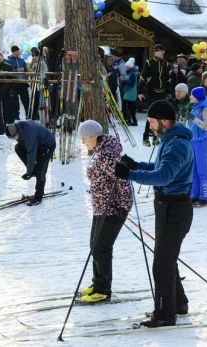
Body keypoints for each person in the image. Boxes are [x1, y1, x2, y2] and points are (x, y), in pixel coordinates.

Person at [113, 100, 193, 328]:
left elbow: (164, 177)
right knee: (167, 259)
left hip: (174, 208)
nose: (149, 126)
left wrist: (129, 175)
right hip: (169, 206)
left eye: (151, 121)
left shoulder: (177, 144)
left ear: (164, 121)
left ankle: (165, 314)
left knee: (162, 264)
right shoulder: (170, 140)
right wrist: (135, 165)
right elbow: (158, 168)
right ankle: (178, 304)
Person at [76, 120, 133, 302]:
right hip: (101, 206)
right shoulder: (100, 150)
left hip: (112, 209)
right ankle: (97, 283)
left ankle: (103, 290)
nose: (83, 142)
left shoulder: (107, 154)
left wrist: (122, 207)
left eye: (85, 138)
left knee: (102, 247)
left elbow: (123, 181)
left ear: (94, 136)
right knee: (95, 245)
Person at [5, 120, 56, 206]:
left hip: (47, 145)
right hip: (38, 143)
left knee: (41, 170)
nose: (14, 139)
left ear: (17, 131)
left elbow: (31, 154)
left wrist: (28, 173)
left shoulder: (29, 134)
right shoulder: (19, 130)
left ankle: (38, 197)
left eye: (14, 137)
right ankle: (33, 171)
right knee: (18, 148)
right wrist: (31, 171)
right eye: (12, 138)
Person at [138, 44, 171, 147]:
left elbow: (168, 79)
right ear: (155, 52)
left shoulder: (165, 64)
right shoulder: (149, 63)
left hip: (162, 92)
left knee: (160, 116)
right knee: (152, 115)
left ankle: (156, 137)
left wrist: (169, 91)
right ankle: (146, 136)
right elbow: (143, 78)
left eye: (163, 51)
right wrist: (140, 92)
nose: (162, 53)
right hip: (152, 92)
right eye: (160, 51)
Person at [186, 87, 207, 207]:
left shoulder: (205, 109)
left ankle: (204, 196)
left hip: (201, 142)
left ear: (197, 97)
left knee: (202, 170)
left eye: (192, 95)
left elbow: (206, 127)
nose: (190, 97)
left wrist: (193, 118)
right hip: (193, 141)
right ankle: (194, 195)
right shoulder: (195, 106)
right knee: (194, 170)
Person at [0, 52, 17, 125]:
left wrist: (11, 89)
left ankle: (10, 121)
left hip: (8, 89)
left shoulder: (8, 66)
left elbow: (13, 78)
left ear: (2, 58)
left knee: (9, 106)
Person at [7, 45, 30, 119]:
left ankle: (28, 114)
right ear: (14, 51)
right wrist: (16, 70)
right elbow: (8, 71)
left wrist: (25, 72)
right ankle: (16, 115)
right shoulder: (9, 61)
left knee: (26, 100)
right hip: (14, 83)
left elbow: (26, 69)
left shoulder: (22, 60)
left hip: (23, 82)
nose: (19, 52)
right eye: (17, 51)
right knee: (15, 101)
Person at [29, 47, 48, 121]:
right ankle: (34, 114)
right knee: (34, 99)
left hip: (41, 83)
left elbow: (44, 71)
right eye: (33, 56)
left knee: (41, 98)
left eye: (36, 56)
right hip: (34, 83)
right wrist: (32, 70)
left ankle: (41, 115)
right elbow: (29, 71)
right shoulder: (32, 63)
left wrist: (38, 68)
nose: (34, 58)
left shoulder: (42, 62)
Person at [121, 58, 138, 126]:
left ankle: (127, 119)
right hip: (129, 93)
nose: (125, 67)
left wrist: (124, 81)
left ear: (129, 67)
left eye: (126, 66)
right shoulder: (130, 73)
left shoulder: (132, 74)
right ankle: (133, 120)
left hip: (130, 93)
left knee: (126, 107)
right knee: (131, 108)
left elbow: (131, 83)